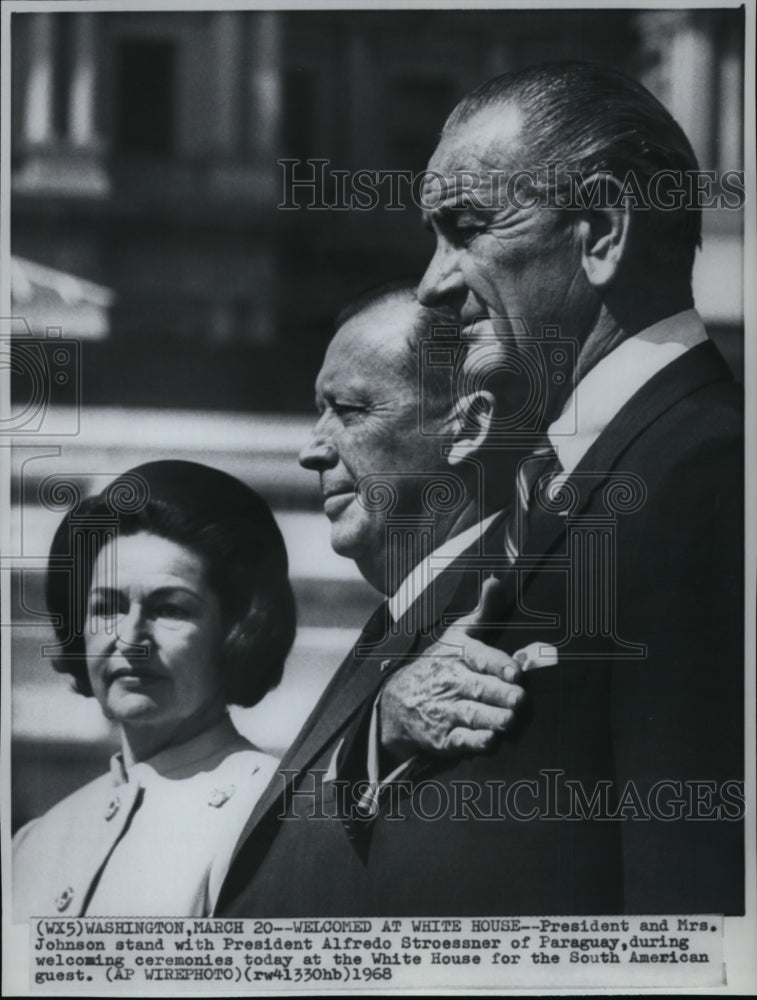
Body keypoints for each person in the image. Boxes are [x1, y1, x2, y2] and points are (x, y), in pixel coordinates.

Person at [218, 61, 743, 916]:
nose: (432, 282)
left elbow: (696, 920)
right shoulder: (582, 474)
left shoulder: (714, 479)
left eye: (468, 228)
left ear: (603, 230)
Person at [214, 285, 575, 918]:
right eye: (318, 410)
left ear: (470, 424)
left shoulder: (515, 615)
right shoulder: (414, 611)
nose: (312, 449)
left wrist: (372, 746)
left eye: (349, 411)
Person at [12, 460, 296, 918]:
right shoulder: (33, 843)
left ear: (236, 631)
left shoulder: (275, 816)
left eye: (170, 608)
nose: (129, 639)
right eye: (107, 606)